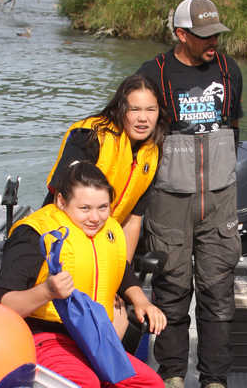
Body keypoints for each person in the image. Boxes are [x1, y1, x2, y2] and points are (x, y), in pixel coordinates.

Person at [0, 161, 166, 388]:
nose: (95, 217)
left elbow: (121, 271)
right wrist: (46, 291)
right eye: (84, 208)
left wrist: (141, 301)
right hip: (44, 337)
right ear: (61, 201)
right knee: (85, 386)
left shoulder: (108, 231)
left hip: (93, 337)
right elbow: (3, 306)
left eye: (102, 208)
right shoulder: (33, 234)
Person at [137, 0, 243, 388]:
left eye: (216, 33)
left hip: (219, 200)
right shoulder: (153, 73)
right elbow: (139, 131)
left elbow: (233, 129)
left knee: (219, 292)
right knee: (171, 288)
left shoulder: (229, 70)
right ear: (181, 34)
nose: (213, 41)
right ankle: (172, 374)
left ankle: (215, 381)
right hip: (169, 201)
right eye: (203, 35)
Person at [45, 74, 167, 259]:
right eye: (134, 109)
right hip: (62, 238)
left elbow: (133, 219)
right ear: (120, 109)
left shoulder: (152, 153)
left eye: (151, 110)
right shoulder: (89, 136)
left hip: (103, 239)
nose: (143, 118)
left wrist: (122, 274)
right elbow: (60, 200)